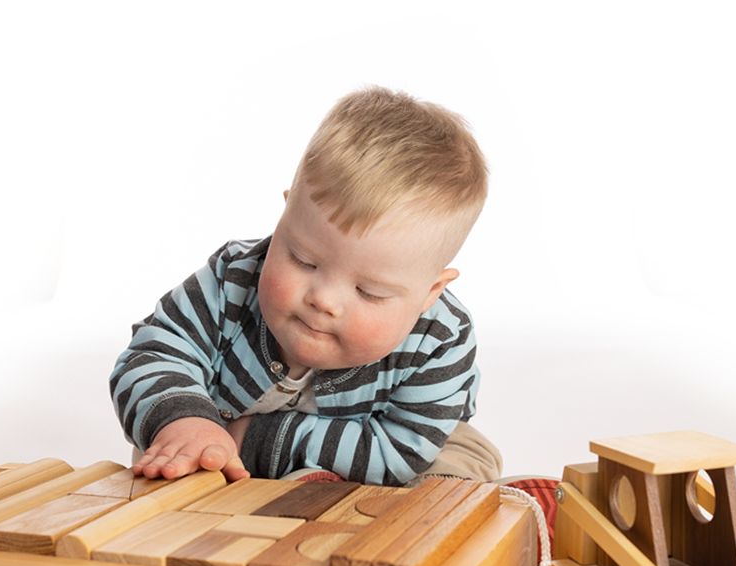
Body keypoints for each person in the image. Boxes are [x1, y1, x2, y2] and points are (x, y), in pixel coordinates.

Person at [110, 86, 502, 487]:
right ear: (284, 219)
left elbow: (400, 452)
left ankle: (467, 510)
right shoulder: (232, 278)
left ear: (429, 293)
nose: (323, 300)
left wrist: (254, 439)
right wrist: (186, 420)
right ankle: (272, 478)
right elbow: (152, 353)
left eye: (369, 292)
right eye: (303, 260)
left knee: (459, 458)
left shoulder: (439, 338)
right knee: (171, 441)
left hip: (381, 449)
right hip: (220, 441)